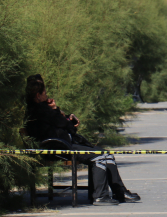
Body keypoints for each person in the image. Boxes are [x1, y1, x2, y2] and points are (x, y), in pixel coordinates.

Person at [24, 75, 140, 205]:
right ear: (38, 96)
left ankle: (120, 192)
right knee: (99, 156)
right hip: (58, 148)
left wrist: (62, 116)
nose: (47, 96)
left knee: (106, 154)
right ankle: (100, 196)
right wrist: (58, 112)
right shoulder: (41, 110)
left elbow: (61, 122)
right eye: (44, 93)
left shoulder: (39, 109)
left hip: (62, 145)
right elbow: (67, 126)